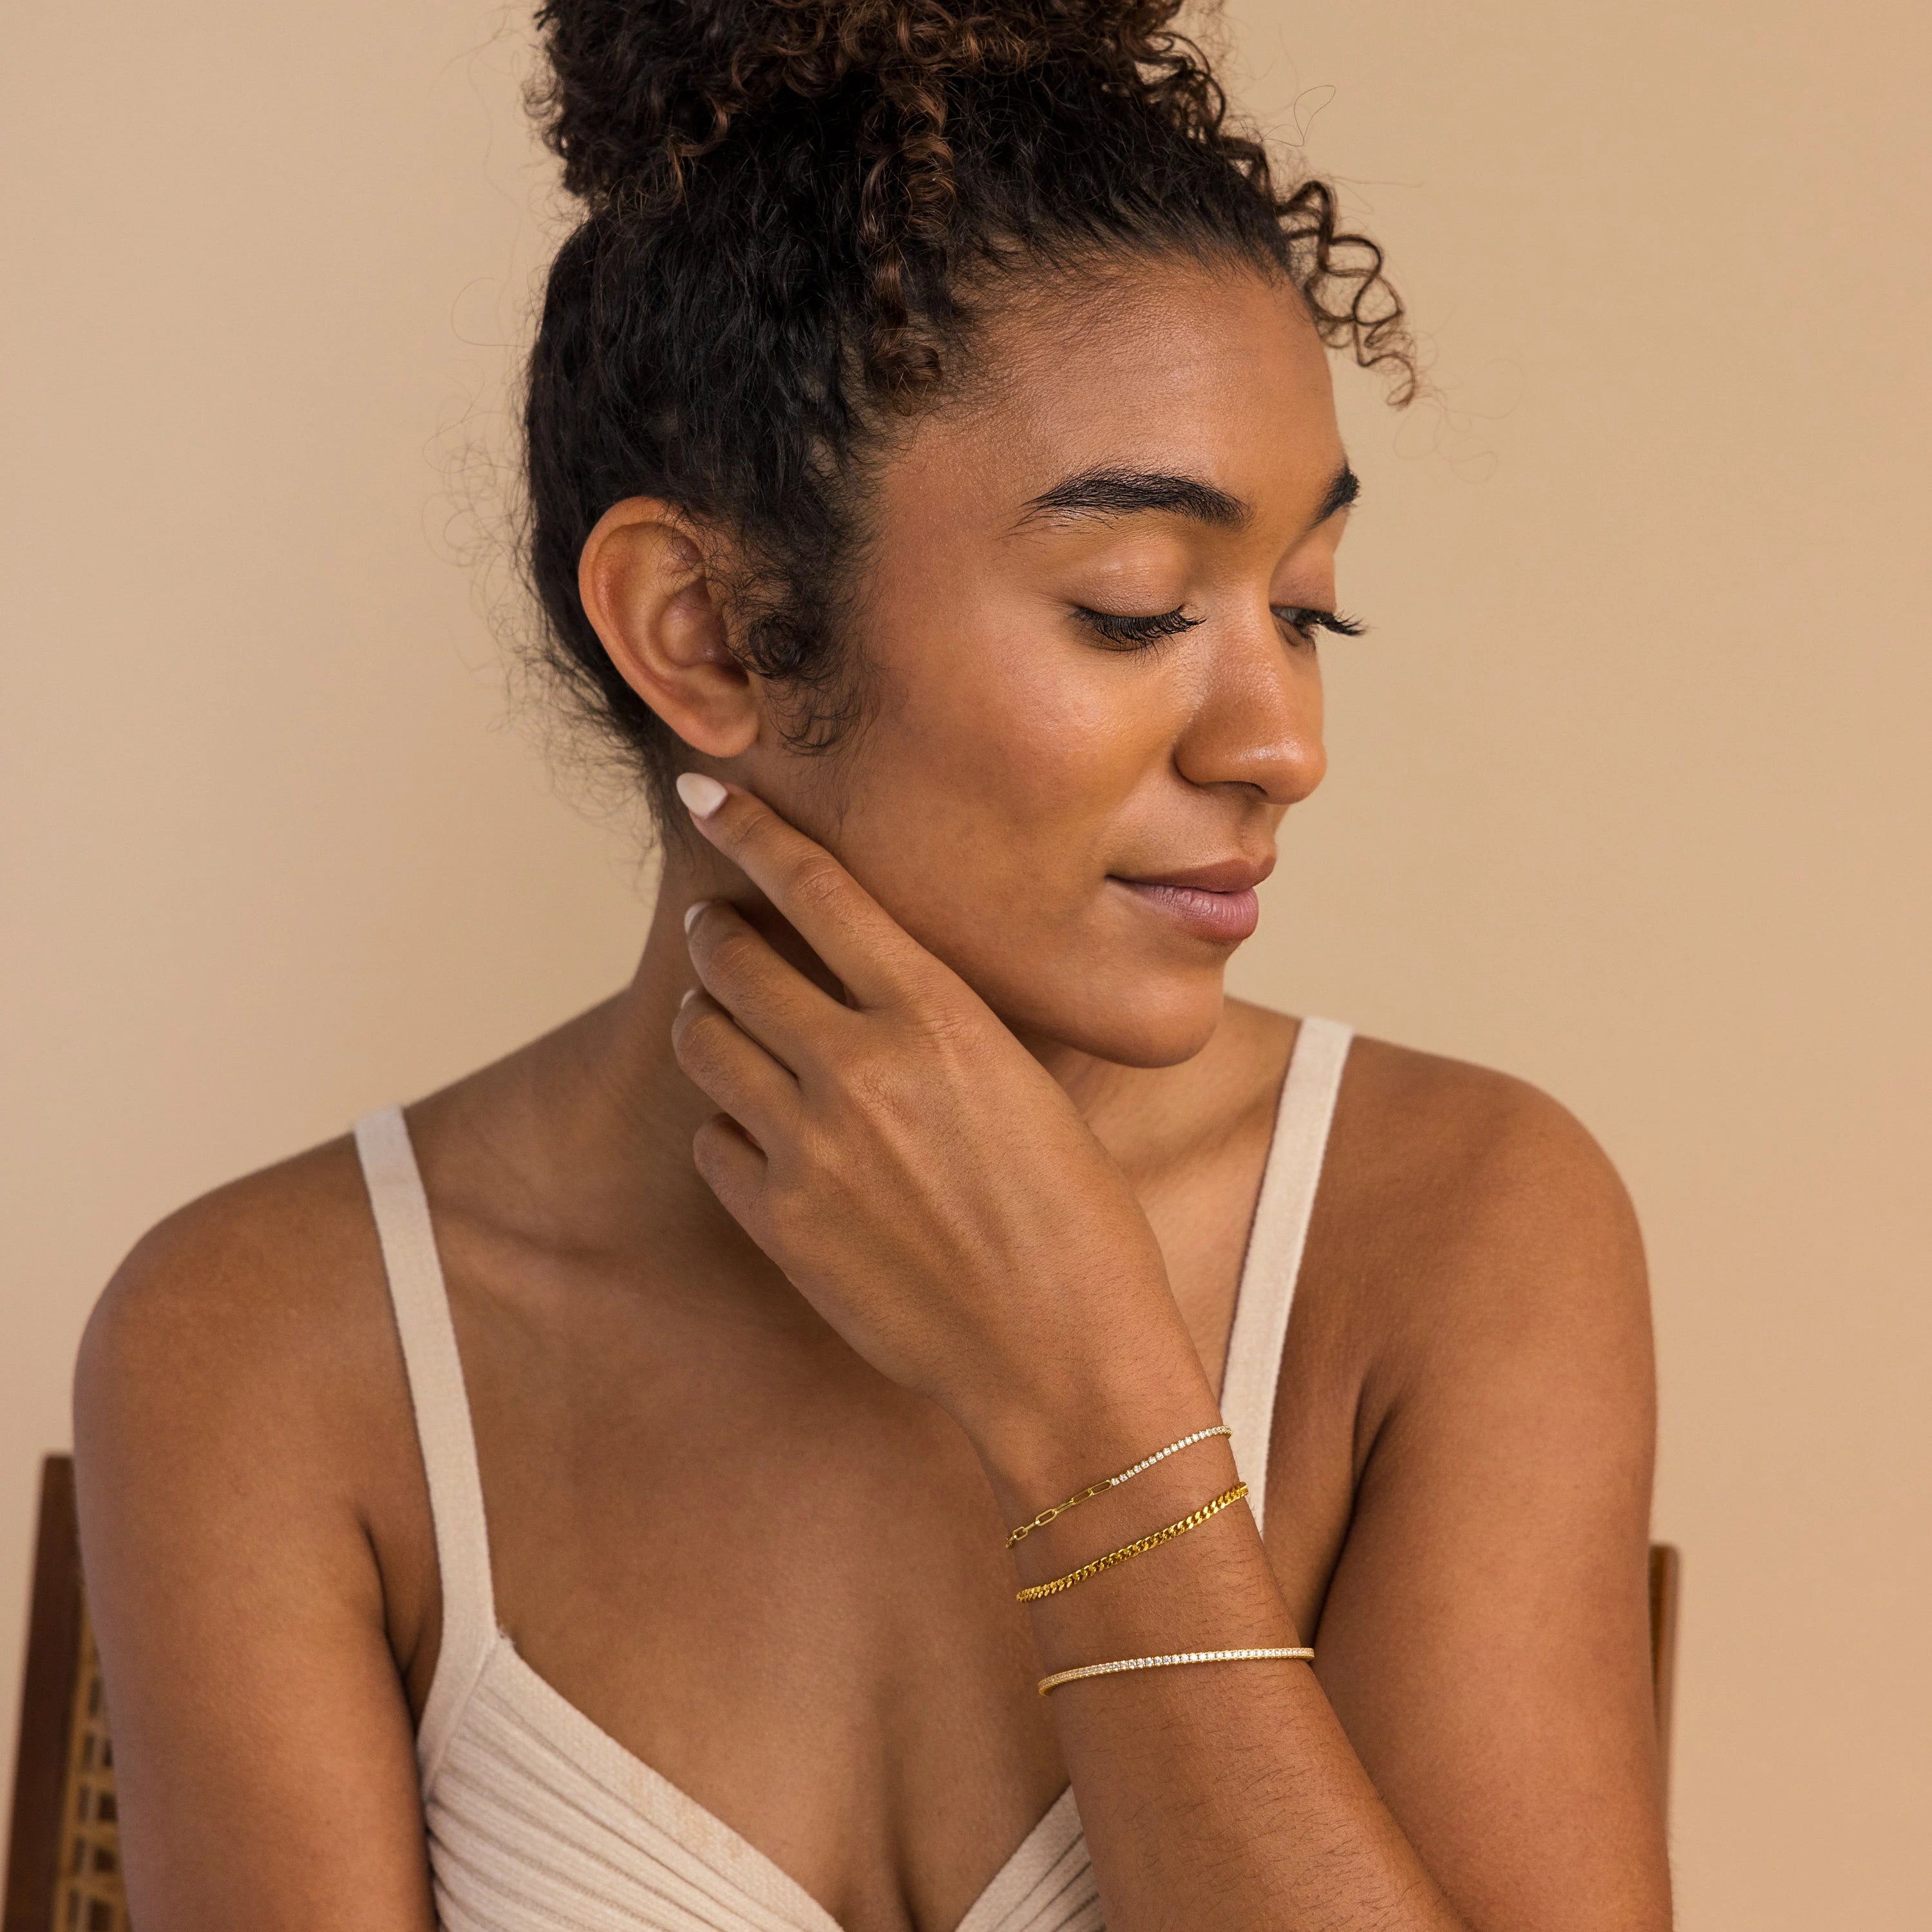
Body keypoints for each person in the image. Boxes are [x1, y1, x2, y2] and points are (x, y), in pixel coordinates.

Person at [72, 1, 1672, 1926]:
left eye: (1305, 609)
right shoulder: (270, 1350)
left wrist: (1089, 1404)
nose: (1283, 743)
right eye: (1136, 609)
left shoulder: (1460, 1235)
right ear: (708, 629)